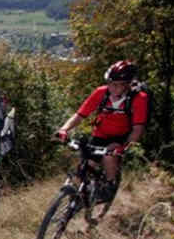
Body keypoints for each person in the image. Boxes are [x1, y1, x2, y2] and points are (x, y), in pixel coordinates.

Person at [55, 60, 149, 203]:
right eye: (111, 83)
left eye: (118, 84)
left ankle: (109, 187)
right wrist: (64, 129)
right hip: (100, 134)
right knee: (86, 165)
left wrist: (124, 148)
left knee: (109, 156)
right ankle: (75, 203)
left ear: (128, 85)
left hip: (122, 136)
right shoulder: (101, 92)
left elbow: (138, 129)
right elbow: (80, 115)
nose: (112, 87)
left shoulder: (139, 98)